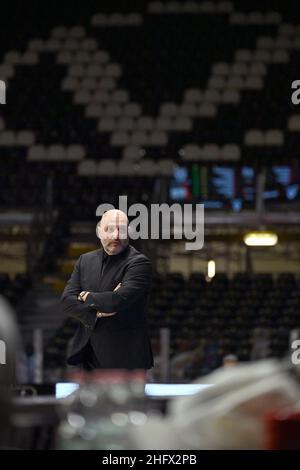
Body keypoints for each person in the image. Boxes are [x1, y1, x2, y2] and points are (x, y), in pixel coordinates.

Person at [60, 209, 153, 371]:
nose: (116, 235)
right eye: (109, 229)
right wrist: (96, 313)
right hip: (86, 356)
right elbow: (67, 301)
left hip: (126, 360)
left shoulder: (139, 263)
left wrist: (85, 296)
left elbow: (115, 302)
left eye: (121, 230)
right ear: (99, 231)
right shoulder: (85, 260)